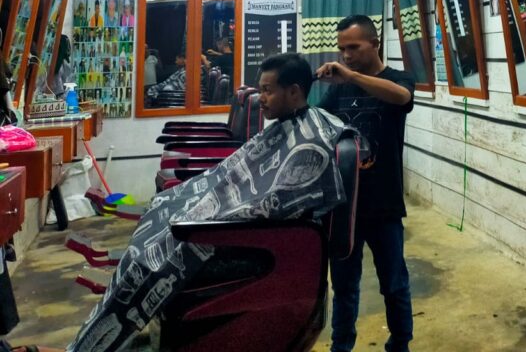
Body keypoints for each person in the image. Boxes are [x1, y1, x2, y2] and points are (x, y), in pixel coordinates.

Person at [14, 54, 352, 352]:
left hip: (250, 243)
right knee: (157, 219)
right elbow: (235, 179)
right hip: (232, 221)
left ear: (294, 92)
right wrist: (189, 201)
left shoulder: (308, 143)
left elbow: (271, 203)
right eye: (259, 90)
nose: (261, 98)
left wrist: (202, 217)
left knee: (149, 257)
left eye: (267, 91)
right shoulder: (289, 128)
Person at [316, 15, 415, 352]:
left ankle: (400, 344)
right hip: (344, 207)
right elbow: (316, 124)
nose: (346, 55)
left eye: (354, 47)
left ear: (375, 43)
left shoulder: (398, 78)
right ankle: (341, 346)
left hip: (384, 205)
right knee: (344, 286)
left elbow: (401, 97)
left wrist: (351, 76)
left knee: (394, 284)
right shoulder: (338, 90)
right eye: (342, 49)